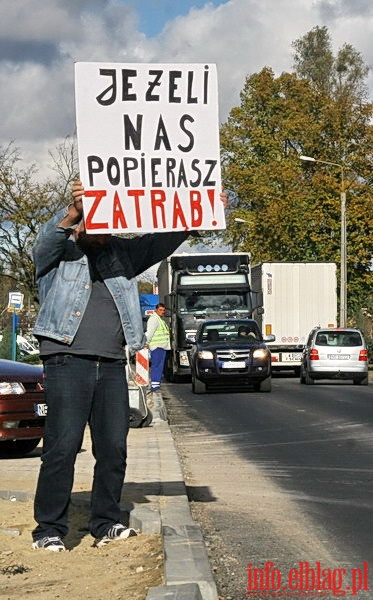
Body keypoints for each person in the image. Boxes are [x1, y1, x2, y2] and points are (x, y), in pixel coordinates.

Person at [31, 180, 208, 552]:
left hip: (112, 363)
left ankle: (106, 522)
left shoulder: (122, 254)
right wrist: (75, 210)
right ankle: (48, 529)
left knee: (114, 447)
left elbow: (162, 240)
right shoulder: (59, 254)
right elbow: (43, 244)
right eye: (92, 222)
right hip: (67, 359)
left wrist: (200, 209)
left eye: (106, 221)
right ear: (80, 224)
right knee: (62, 447)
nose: (100, 229)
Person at [145, 303, 170, 392]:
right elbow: (150, 333)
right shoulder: (154, 319)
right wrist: (146, 343)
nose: (162, 312)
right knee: (156, 366)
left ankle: (156, 385)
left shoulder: (160, 319)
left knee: (159, 366)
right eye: (160, 310)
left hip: (161, 347)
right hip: (156, 347)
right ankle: (155, 386)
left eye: (163, 310)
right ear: (156, 310)